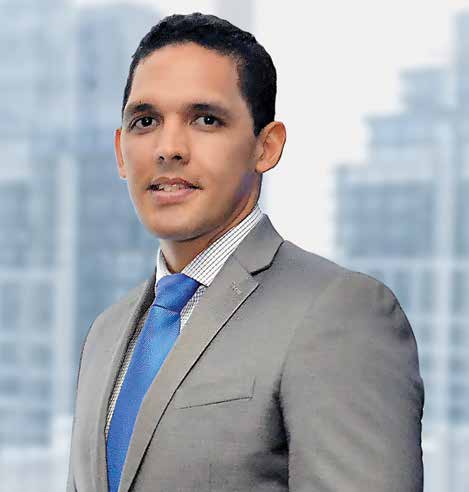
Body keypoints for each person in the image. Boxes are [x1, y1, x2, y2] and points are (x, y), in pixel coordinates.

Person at [66, 12, 424, 492]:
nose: (168, 148)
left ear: (266, 147)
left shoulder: (340, 312)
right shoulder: (105, 333)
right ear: (120, 151)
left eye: (206, 119)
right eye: (145, 121)